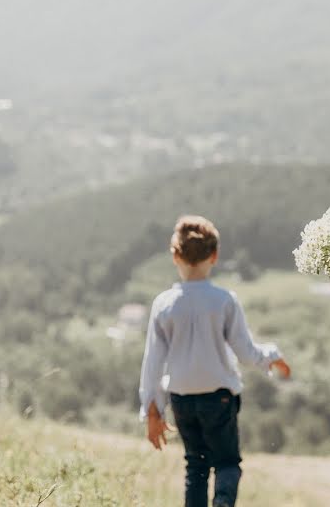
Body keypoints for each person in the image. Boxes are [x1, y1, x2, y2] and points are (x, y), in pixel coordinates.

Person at [139, 215, 291, 507]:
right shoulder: (224, 301)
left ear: (175, 256)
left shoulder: (163, 304)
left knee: (195, 465)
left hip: (181, 399)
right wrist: (272, 355)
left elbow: (153, 363)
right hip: (218, 398)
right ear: (215, 255)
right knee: (227, 463)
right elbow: (246, 353)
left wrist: (152, 411)